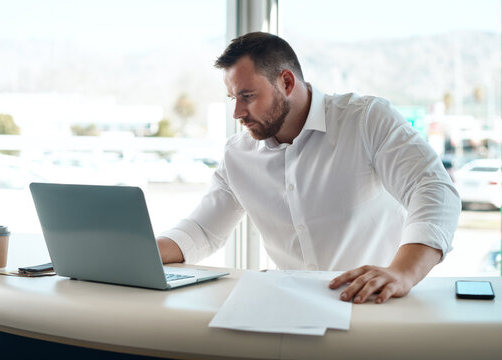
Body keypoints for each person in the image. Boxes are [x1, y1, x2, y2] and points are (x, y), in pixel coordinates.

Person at [157, 32, 461, 304]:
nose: (237, 112)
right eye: (233, 99)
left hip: (373, 306)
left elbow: (433, 188)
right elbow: (202, 231)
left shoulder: (366, 119)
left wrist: (402, 272)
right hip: (289, 309)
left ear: (286, 82)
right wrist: (138, 253)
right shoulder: (238, 154)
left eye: (247, 97)